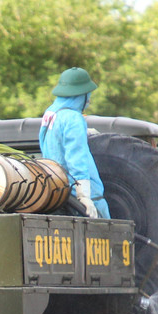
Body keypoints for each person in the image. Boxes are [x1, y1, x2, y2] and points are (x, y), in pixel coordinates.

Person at [40, 67, 110, 218]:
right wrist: (84, 196)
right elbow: (76, 158)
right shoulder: (73, 119)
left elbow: (52, 142)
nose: (89, 100)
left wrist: (82, 133)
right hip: (80, 200)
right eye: (88, 95)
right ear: (81, 94)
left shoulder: (51, 112)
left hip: (58, 191)